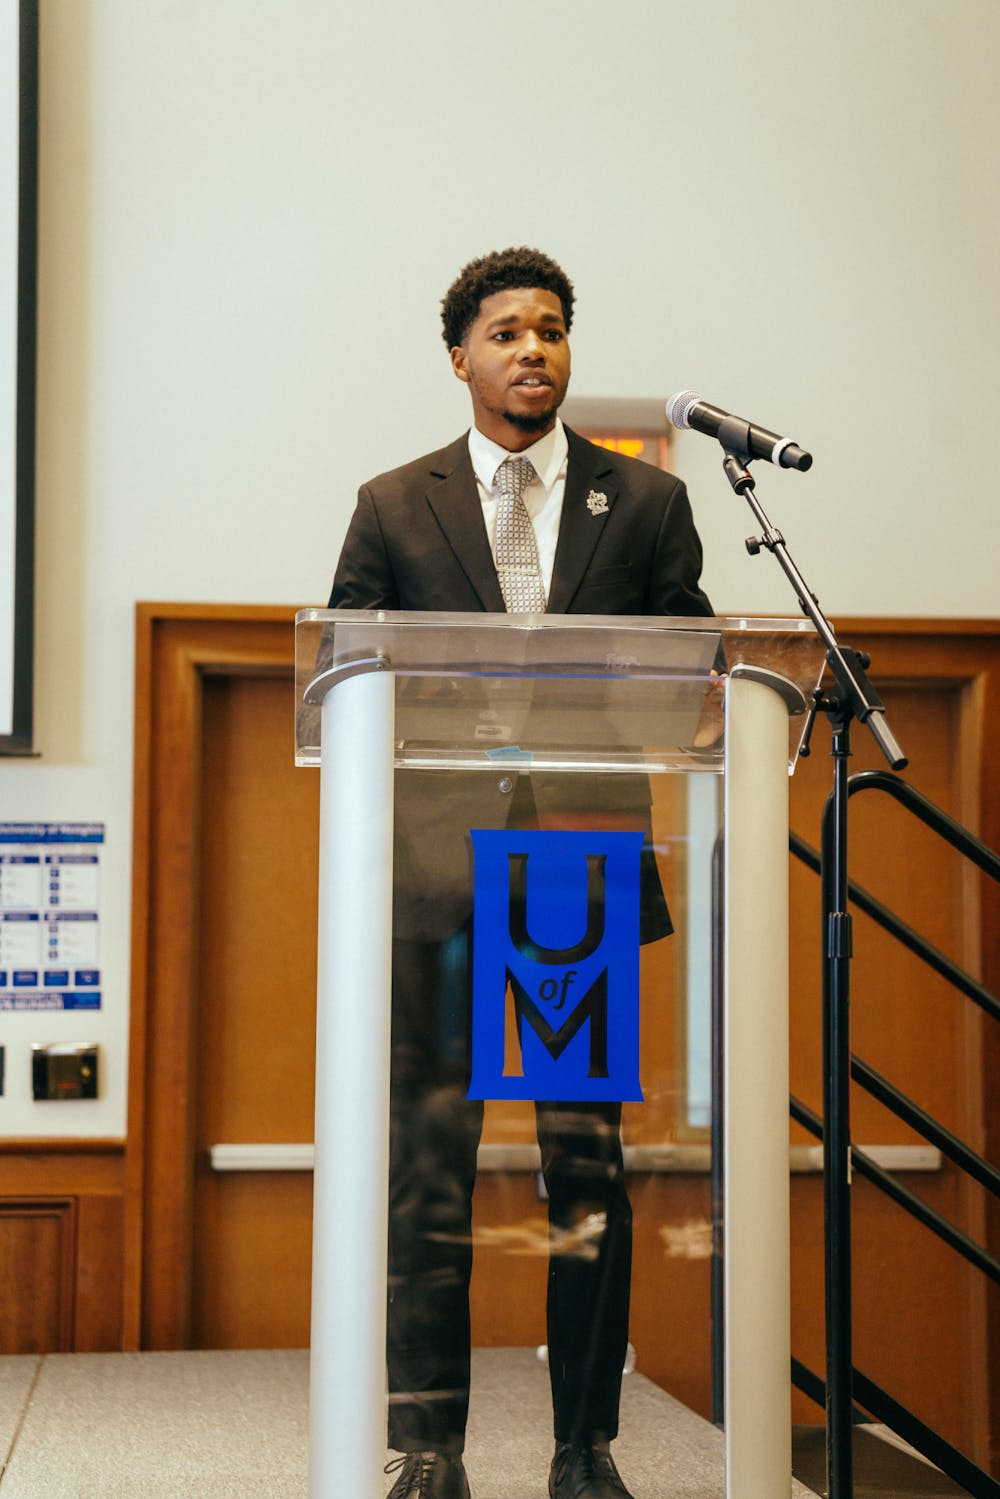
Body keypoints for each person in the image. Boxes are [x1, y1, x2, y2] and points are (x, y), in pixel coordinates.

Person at [328, 247, 714, 1499]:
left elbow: (691, 669)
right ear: (461, 356)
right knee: (430, 1164)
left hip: (573, 874)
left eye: (551, 329)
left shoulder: (642, 504)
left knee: (582, 1168)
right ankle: (427, 1445)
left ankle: (582, 1445)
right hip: (435, 876)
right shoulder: (395, 502)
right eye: (506, 331)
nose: (532, 349)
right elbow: (343, 673)